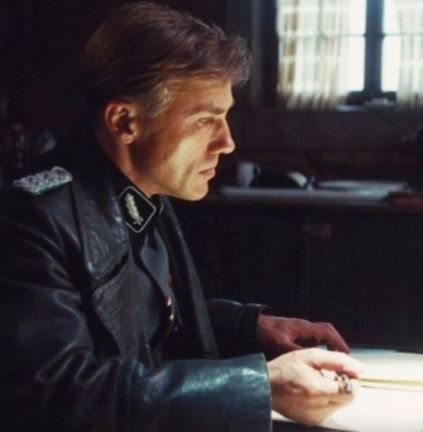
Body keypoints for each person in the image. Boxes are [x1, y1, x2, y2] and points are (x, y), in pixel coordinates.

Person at [0, 2, 364, 430]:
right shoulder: (31, 218)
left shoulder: (144, 189)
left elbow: (143, 327)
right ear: (124, 121)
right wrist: (259, 385)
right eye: (205, 120)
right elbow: (57, 395)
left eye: (225, 117)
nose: (227, 142)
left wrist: (252, 327)